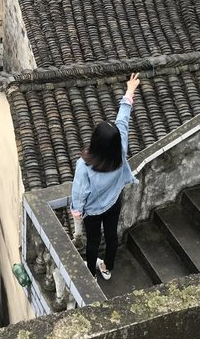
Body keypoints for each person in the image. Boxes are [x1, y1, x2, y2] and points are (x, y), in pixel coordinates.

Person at [71, 72, 140, 280]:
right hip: (114, 202)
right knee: (111, 236)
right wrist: (129, 92)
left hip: (93, 211)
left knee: (93, 242)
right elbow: (123, 121)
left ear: (95, 141)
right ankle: (107, 267)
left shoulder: (85, 165)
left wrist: (77, 213)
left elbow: (79, 193)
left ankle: (92, 273)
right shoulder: (120, 150)